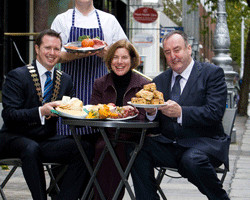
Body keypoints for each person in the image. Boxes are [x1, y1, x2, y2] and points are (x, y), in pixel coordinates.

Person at [129, 30, 230, 200]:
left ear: (188, 49)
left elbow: (215, 113)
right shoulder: (159, 81)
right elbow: (155, 120)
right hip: (170, 144)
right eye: (167, 52)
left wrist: (181, 113)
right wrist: (152, 113)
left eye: (177, 50)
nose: (173, 56)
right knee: (135, 149)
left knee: (191, 160)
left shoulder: (211, 74)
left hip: (204, 143)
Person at [0, 29, 93, 200]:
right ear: (37, 49)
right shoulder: (18, 75)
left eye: (56, 49)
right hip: (13, 137)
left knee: (84, 148)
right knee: (30, 148)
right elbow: (9, 115)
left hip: (44, 139)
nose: (52, 53)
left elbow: (67, 114)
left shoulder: (65, 79)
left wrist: (85, 112)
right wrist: (40, 111)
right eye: (47, 48)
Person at [51, 0, 127, 135]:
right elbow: (54, 56)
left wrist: (107, 54)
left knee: (101, 138)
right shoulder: (61, 20)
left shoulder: (109, 20)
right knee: (70, 140)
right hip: (70, 91)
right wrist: (78, 54)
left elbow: (125, 54)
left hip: (103, 91)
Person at [90, 39, 150, 200]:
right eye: (115, 57)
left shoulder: (145, 85)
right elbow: (93, 112)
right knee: (104, 147)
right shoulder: (100, 83)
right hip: (105, 136)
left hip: (132, 139)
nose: (119, 62)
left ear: (132, 60)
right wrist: (108, 111)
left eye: (124, 57)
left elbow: (146, 117)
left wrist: (133, 113)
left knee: (113, 148)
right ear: (110, 60)